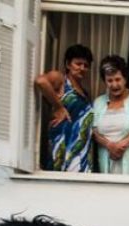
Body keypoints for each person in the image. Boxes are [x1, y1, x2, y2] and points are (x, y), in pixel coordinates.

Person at [35, 44, 94, 172]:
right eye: (78, 64)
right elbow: (40, 81)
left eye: (86, 65)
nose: (82, 68)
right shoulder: (60, 80)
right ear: (68, 64)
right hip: (63, 145)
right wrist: (59, 107)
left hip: (82, 153)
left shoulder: (85, 93)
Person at [92, 55, 129, 175]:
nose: (114, 85)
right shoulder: (99, 102)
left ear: (125, 78)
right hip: (107, 166)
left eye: (118, 79)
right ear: (105, 81)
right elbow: (94, 131)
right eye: (110, 80)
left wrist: (120, 145)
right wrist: (109, 145)